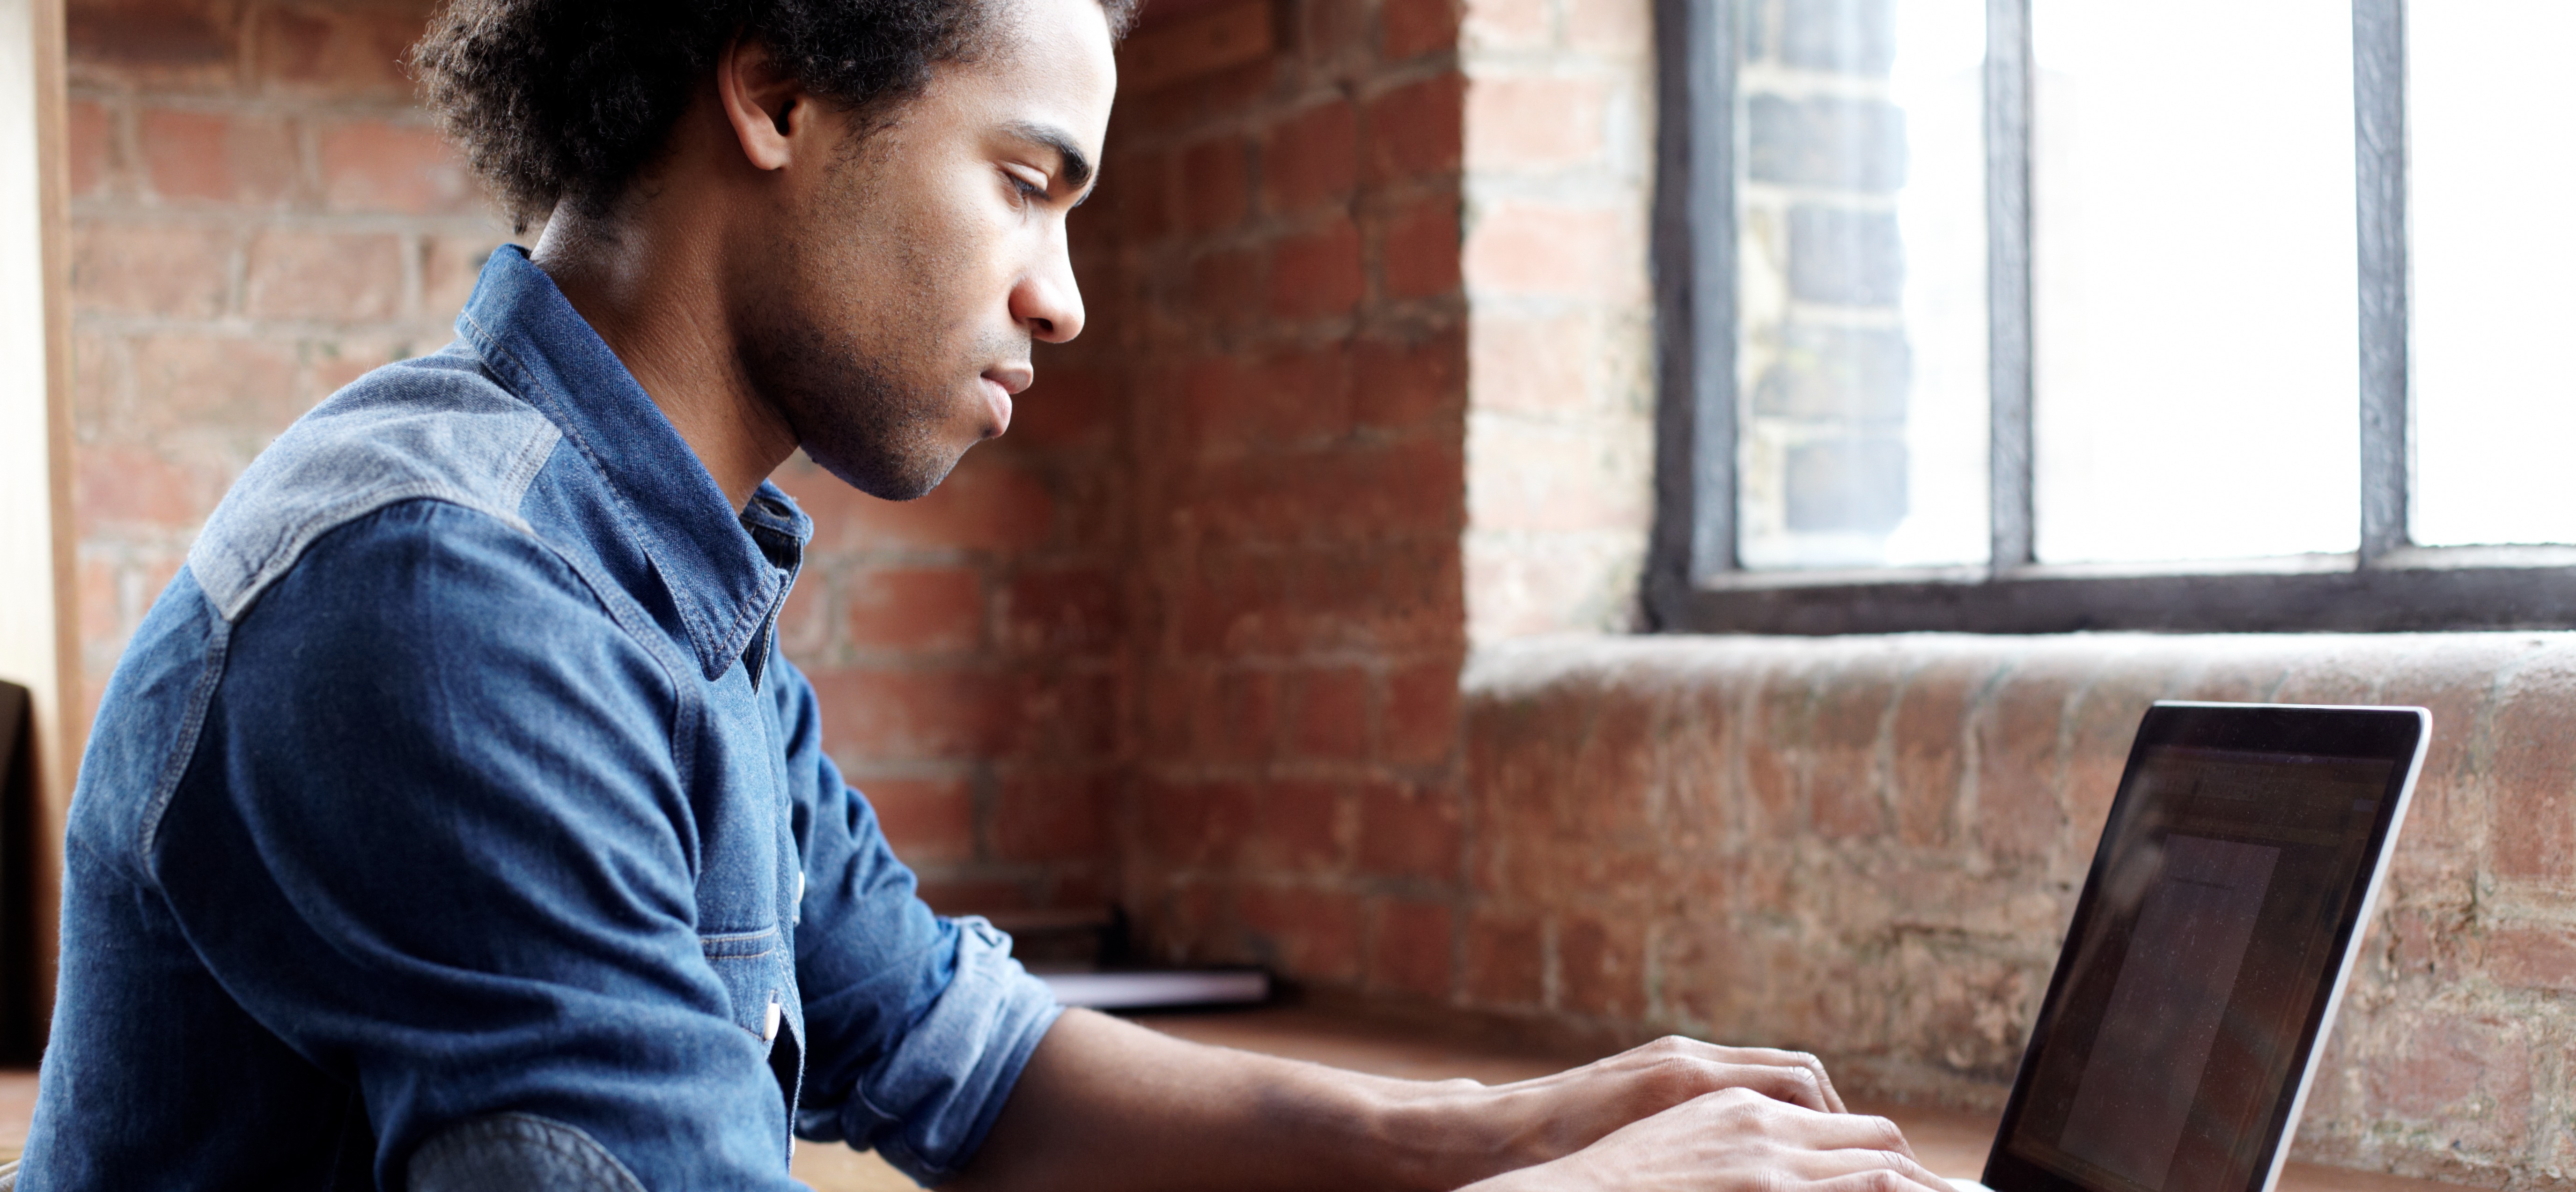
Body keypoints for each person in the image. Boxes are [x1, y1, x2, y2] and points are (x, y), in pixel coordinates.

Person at [18, 0, 1958, 1189]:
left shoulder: (638, 572)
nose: (1068, 292)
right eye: (1028, 179)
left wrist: (1513, 1127)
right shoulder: (442, 601)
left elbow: (973, 1062)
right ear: (776, 88)